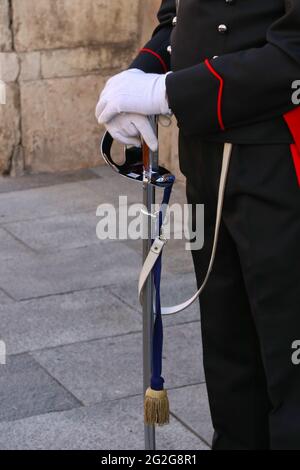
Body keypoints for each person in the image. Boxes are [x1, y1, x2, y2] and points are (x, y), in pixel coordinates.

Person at [95, 0, 300, 450]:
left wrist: (167, 93)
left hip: (279, 156)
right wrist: (140, 73)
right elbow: (179, 19)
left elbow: (293, 50)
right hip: (204, 150)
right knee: (228, 349)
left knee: (288, 353)